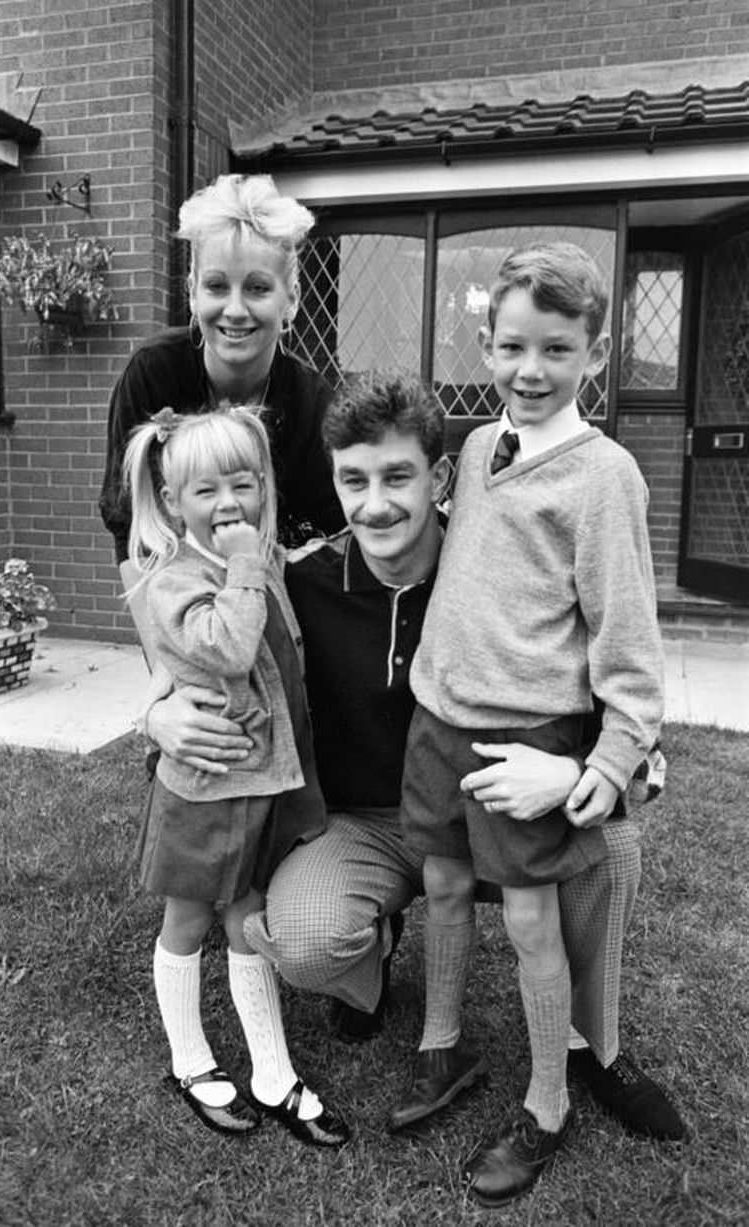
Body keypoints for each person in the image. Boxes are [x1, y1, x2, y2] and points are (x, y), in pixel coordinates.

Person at [144, 375, 684, 1148]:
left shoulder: (498, 576)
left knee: (612, 848)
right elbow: (211, 660)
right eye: (353, 480)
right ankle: (371, 973)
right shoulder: (300, 583)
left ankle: (593, 1046)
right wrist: (157, 714)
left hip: (491, 803)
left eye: (397, 476)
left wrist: (580, 775)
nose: (375, 504)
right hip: (364, 823)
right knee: (299, 933)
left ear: (438, 479)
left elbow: (615, 691)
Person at [399, 242, 668, 1207]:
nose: (532, 369)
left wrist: (612, 759)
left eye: (558, 349)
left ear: (595, 355)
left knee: (527, 920)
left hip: (528, 735)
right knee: (439, 881)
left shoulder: (606, 478)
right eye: (513, 346)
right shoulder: (477, 448)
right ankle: (442, 1046)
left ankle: (548, 1101)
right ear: (485, 344)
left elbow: (629, 643)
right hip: (438, 719)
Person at [122, 403, 348, 1148]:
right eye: (206, 490)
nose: (228, 503)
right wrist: (250, 562)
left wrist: (260, 560)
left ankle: (272, 1073)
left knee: (246, 917)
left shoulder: (262, 561)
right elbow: (226, 645)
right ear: (173, 500)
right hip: (204, 787)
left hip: (257, 785)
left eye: (244, 484)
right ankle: (190, 1061)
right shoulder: (173, 581)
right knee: (188, 919)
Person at [99, 172, 343, 655]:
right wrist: (168, 683)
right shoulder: (154, 374)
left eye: (256, 288)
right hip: (181, 616)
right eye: (216, 286)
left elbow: (328, 550)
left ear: (290, 299)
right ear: (192, 292)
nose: (234, 309)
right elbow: (132, 530)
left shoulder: (315, 405)